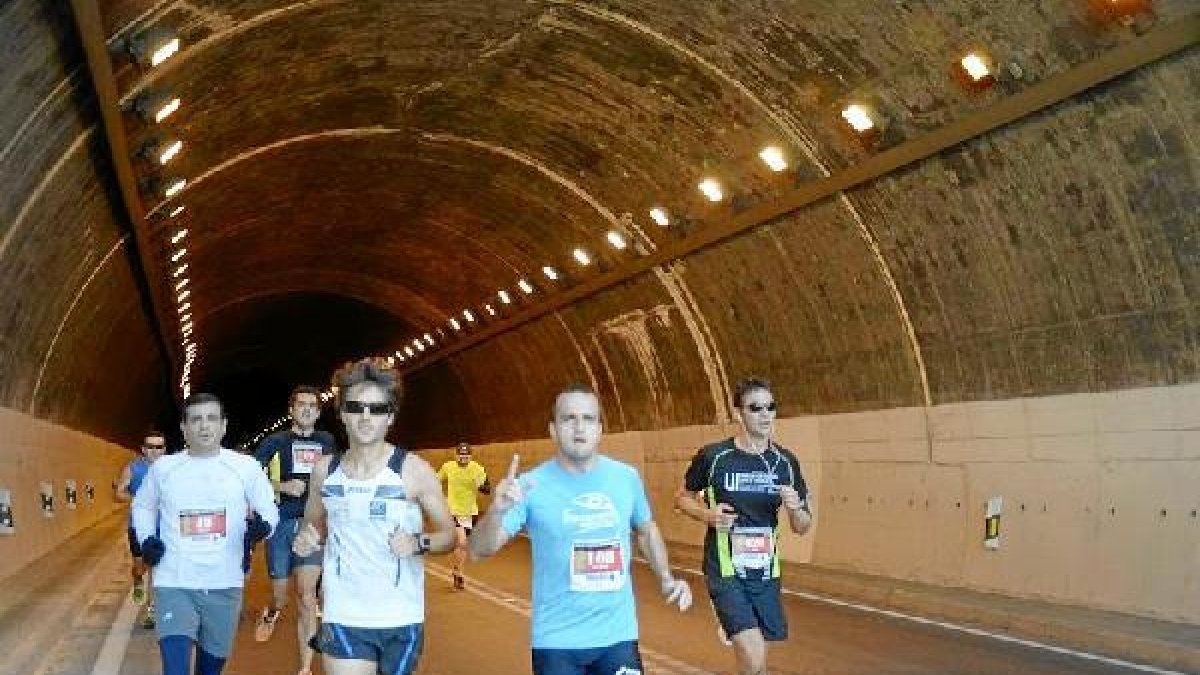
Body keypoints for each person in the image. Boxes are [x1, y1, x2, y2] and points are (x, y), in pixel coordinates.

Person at [470, 383, 692, 675]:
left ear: (599, 429)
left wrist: (666, 579)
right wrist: (496, 511)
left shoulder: (626, 478)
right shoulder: (529, 486)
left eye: (588, 419)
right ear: (552, 429)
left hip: (618, 637)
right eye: (568, 418)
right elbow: (479, 549)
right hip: (556, 642)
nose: (579, 427)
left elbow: (646, 530)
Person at [292, 358, 456, 675]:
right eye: (355, 407)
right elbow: (313, 528)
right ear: (341, 414)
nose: (365, 417)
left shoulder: (413, 470)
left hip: (400, 616)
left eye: (377, 409)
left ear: (390, 417)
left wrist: (418, 542)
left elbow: (450, 535)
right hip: (344, 615)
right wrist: (306, 539)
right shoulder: (325, 471)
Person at [132, 393, 279, 675]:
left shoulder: (245, 468)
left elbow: (269, 510)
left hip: (224, 582)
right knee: (175, 669)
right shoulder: (164, 468)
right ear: (184, 428)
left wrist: (262, 528)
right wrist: (147, 539)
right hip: (174, 580)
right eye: (196, 419)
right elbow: (143, 507)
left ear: (223, 426)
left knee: (209, 670)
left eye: (212, 418)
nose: (204, 426)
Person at [674, 377, 812, 675]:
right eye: (755, 408)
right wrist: (709, 516)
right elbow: (682, 499)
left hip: (764, 573)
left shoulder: (785, 462)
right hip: (725, 570)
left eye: (770, 407)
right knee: (754, 653)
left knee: (755, 665)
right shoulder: (715, 457)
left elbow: (802, 526)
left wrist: (796, 508)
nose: (765, 415)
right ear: (738, 413)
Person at [251, 385, 337, 675]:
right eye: (301, 404)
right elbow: (249, 479)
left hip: (311, 524)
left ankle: (305, 668)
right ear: (291, 410)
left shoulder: (327, 441)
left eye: (313, 405)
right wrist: (280, 486)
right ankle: (272, 611)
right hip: (281, 523)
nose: (307, 409)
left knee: (306, 594)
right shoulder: (274, 442)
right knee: (281, 595)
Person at [115, 430, 167, 629]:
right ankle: (137, 579)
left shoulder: (171, 469)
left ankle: (152, 611)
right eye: (151, 447)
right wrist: (139, 500)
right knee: (141, 567)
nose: (155, 451)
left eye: (159, 447)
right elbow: (119, 493)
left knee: (157, 567)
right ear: (143, 449)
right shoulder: (133, 469)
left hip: (162, 528)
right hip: (137, 527)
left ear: (164, 449)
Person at [436, 442, 490, 590]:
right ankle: (458, 574)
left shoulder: (477, 469)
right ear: (456, 455)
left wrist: (480, 486)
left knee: (463, 546)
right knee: (461, 542)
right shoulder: (448, 467)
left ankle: (457, 571)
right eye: (461, 455)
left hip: (470, 512)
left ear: (470, 456)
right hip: (453, 510)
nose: (463, 458)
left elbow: (487, 489)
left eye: (466, 455)